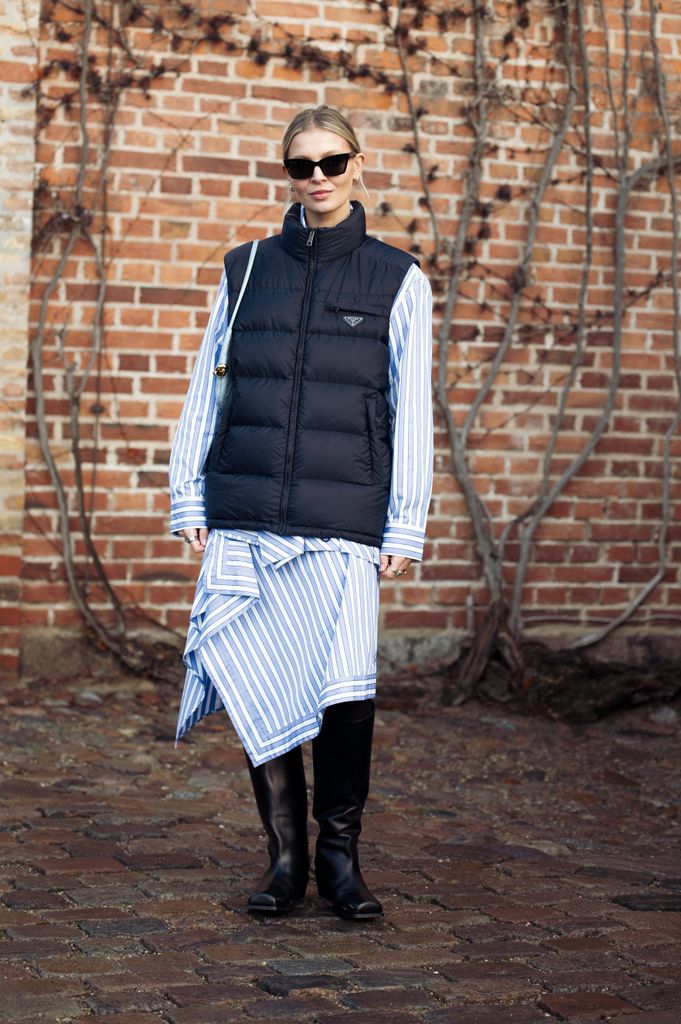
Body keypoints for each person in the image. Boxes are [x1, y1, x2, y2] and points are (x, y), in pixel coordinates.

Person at [168, 104, 433, 920]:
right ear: (286, 173)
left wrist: (406, 524)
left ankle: (340, 861)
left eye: (331, 161)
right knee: (261, 685)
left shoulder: (398, 277)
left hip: (343, 521)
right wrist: (189, 492)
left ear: (358, 165)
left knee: (345, 696)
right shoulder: (245, 270)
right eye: (299, 165)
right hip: (247, 511)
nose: (315, 177)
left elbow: (411, 406)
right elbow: (206, 383)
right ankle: (284, 861)